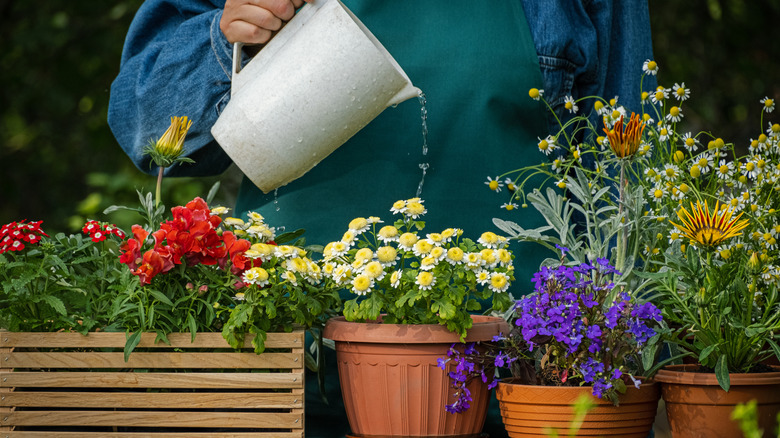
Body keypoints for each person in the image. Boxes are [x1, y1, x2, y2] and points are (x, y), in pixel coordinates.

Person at [108, 1, 656, 436]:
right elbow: (145, 122)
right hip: (289, 393)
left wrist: (607, 360)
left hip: (522, 397)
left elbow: (624, 180)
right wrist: (224, 38)